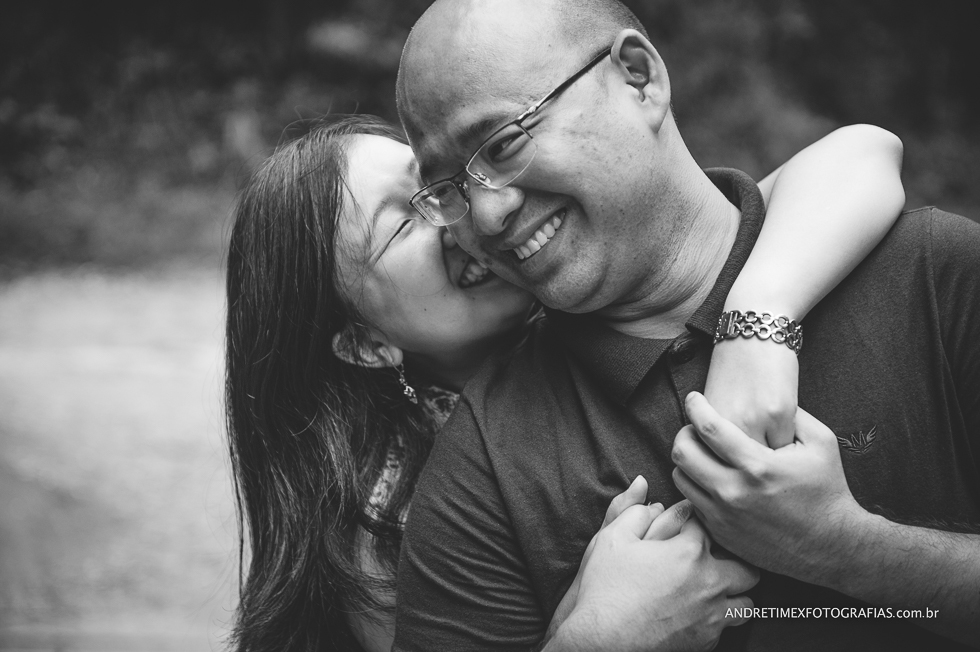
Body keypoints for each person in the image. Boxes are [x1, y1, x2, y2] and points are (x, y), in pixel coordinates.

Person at [392, 0, 980, 650]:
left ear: (639, 78)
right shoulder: (484, 463)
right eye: (449, 190)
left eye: (504, 145)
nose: (486, 215)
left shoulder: (933, 274)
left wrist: (847, 548)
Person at [224, 111, 905, 651]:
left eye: (434, 184)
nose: (458, 215)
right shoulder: (383, 536)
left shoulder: (591, 279)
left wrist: (757, 323)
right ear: (367, 345)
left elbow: (864, 152)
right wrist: (597, 635)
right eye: (403, 222)